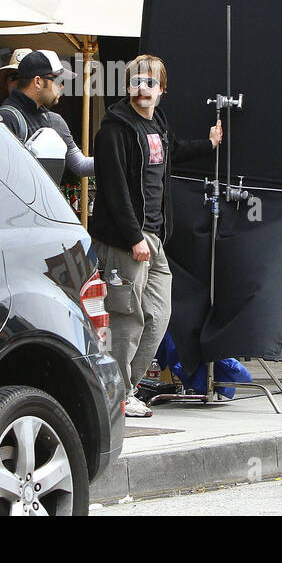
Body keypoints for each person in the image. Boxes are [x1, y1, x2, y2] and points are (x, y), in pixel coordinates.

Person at [89, 55, 221, 417]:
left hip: (154, 237)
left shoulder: (156, 123)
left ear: (162, 90)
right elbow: (113, 188)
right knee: (126, 318)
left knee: (158, 315)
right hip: (126, 240)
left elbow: (172, 151)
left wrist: (208, 144)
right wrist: (133, 236)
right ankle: (114, 394)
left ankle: (125, 388)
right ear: (127, 85)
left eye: (150, 83)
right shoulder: (114, 129)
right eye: (136, 81)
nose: (142, 88)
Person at [0, 48, 93, 177]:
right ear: (38, 82)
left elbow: (80, 165)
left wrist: (121, 160)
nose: (61, 86)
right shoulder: (6, 119)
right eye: (57, 80)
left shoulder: (53, 120)